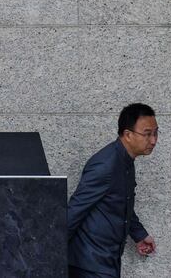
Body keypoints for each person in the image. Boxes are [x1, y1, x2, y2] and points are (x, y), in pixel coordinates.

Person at [67, 103, 159, 278]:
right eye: (147, 134)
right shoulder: (105, 165)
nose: (153, 140)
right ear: (128, 135)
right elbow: (74, 211)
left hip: (105, 261)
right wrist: (47, 255)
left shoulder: (126, 161)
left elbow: (121, 202)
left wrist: (139, 234)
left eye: (155, 133)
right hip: (89, 264)